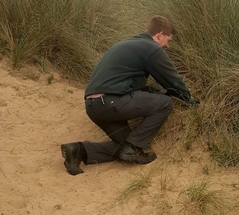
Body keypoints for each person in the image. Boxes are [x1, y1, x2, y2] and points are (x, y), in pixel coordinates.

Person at [61, 15, 198, 176]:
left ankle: (77, 151)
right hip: (110, 101)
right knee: (165, 103)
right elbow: (172, 81)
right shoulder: (152, 48)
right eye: (168, 40)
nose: (167, 46)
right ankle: (134, 148)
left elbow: (127, 81)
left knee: (123, 146)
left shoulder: (127, 43)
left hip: (94, 106)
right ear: (159, 35)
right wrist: (189, 101)